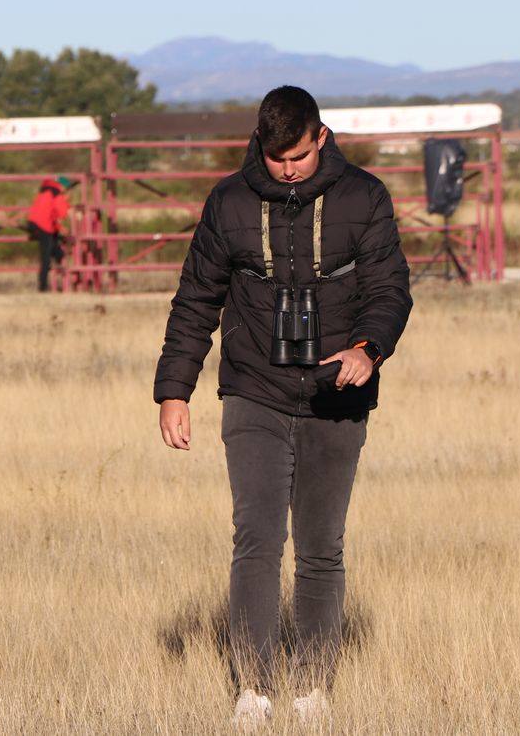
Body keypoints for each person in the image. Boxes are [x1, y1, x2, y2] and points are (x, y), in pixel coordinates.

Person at [153, 86, 411, 728]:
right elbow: (195, 301)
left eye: (297, 155)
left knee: (321, 546)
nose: (288, 168)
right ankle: (254, 689)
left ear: (321, 138)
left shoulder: (364, 197)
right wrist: (173, 391)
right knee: (257, 538)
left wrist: (368, 349)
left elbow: (390, 289)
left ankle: (313, 689)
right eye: (275, 158)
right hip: (253, 391)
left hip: (337, 394)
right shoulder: (228, 201)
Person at [25, 176, 71, 292]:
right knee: (46, 258)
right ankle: (43, 287)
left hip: (34, 224)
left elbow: (50, 213)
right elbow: (62, 212)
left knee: (54, 250)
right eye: (67, 188)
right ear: (63, 186)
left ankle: (56, 282)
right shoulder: (57, 194)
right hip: (44, 226)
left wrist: (59, 227)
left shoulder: (45, 191)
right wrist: (66, 201)